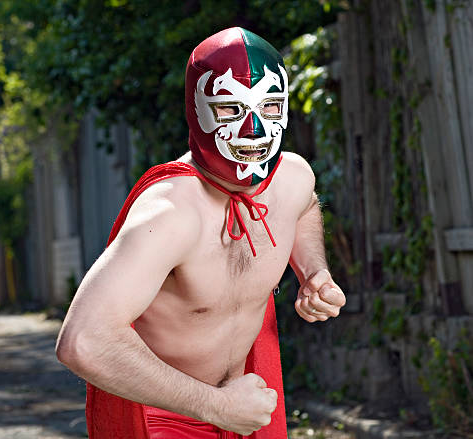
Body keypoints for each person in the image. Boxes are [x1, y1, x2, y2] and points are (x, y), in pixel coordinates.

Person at [56, 27, 346, 439]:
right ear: (197, 110)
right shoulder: (171, 213)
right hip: (167, 419)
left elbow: (306, 205)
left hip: (247, 405)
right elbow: (83, 340)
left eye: (269, 106)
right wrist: (217, 407)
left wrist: (314, 273)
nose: (255, 130)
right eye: (230, 109)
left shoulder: (293, 178)